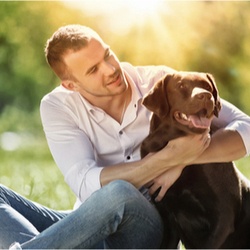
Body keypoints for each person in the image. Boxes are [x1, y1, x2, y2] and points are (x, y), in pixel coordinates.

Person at [2, 24, 250, 249]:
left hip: (145, 226)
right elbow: (86, 184)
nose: (110, 69)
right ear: (71, 85)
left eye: (107, 55)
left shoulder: (160, 84)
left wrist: (187, 158)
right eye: (93, 69)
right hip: (89, 223)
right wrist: (166, 160)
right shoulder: (57, 106)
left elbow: (246, 128)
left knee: (118, 191)